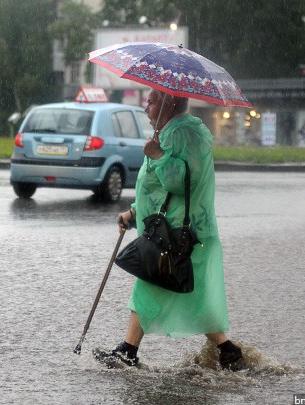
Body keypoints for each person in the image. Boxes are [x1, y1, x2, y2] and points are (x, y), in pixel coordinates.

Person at [94, 89, 243, 370]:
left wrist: (158, 155)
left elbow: (181, 180)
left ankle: (128, 352)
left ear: (170, 103)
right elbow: (158, 189)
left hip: (177, 235)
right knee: (191, 294)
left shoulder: (182, 134)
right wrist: (135, 212)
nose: (145, 106)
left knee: (149, 285)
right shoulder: (173, 131)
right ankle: (228, 350)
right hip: (173, 231)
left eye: (152, 101)